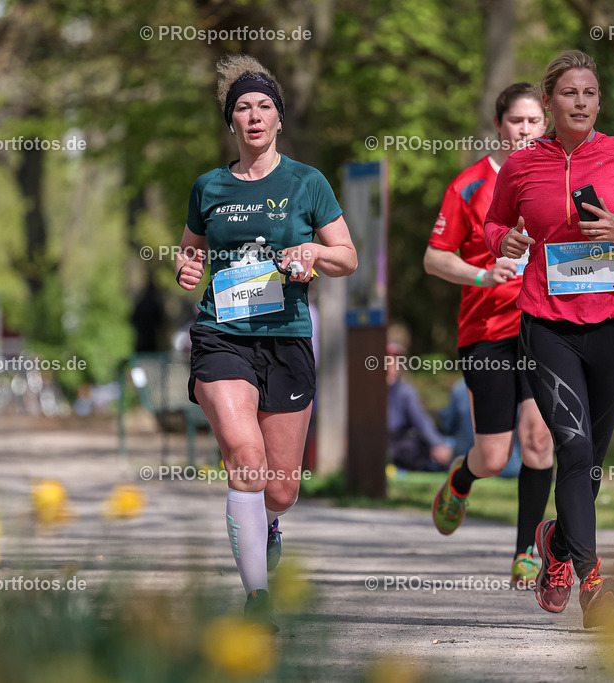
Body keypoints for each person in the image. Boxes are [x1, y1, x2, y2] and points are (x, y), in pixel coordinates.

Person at [484, 50, 614, 627]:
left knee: (589, 461)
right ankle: (592, 584)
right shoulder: (522, 166)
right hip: (546, 325)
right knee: (570, 448)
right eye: (569, 93)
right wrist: (506, 242)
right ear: (548, 102)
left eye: (590, 93)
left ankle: (557, 547)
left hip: (612, 324)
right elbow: (495, 224)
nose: (581, 102)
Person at [175, 55, 357, 627]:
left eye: (264, 107)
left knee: (279, 489)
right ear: (231, 123)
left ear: (279, 119)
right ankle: (257, 598)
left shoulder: (308, 183)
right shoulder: (209, 186)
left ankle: (269, 523)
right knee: (245, 457)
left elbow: (348, 258)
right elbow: (191, 252)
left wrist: (314, 254)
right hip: (221, 337)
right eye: (243, 109)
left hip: (286, 340)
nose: (254, 117)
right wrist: (185, 268)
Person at [424, 82, 554, 588]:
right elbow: (434, 258)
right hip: (487, 331)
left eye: (534, 122)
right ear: (499, 125)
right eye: (516, 121)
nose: (525, 130)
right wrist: (482, 274)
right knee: (495, 457)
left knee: (539, 439)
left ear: (546, 124)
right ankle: (461, 478)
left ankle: (527, 552)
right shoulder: (470, 185)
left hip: (543, 325)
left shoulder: (555, 180)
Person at [386, 342, 453, 471]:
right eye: (387, 360)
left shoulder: (405, 391)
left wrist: (437, 443)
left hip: (400, 444)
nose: (391, 365)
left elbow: (421, 420)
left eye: (395, 361)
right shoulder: (371, 391)